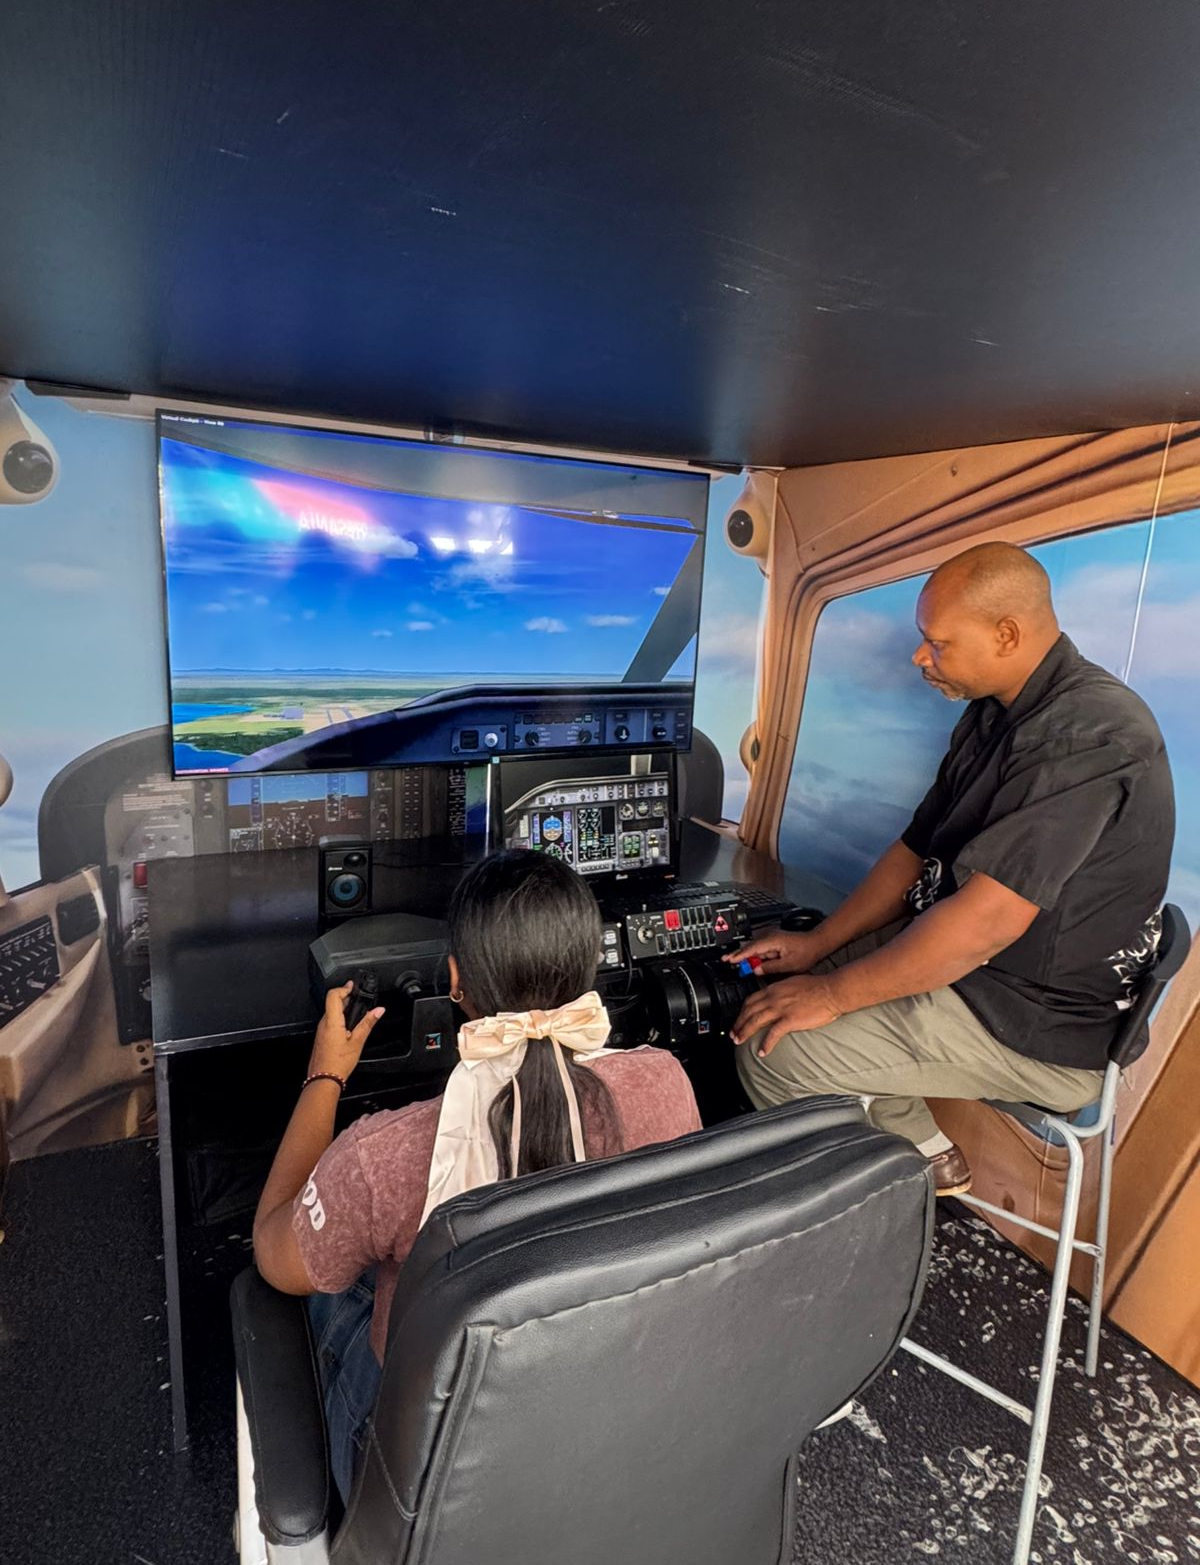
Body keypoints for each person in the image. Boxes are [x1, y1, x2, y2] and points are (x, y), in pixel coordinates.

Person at [726, 541, 1174, 1196]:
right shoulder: (992, 715)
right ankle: (923, 1153)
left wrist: (835, 995)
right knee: (794, 980)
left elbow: (985, 924)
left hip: (1036, 1022)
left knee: (774, 1047)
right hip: (988, 976)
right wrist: (819, 946)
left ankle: (855, 1220)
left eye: (936, 643)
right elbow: (914, 851)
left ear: (1006, 635)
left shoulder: (1088, 735)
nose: (919, 657)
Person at [253, 847, 701, 1503]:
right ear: (591, 967)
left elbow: (274, 1258)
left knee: (326, 1270)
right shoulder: (666, 1080)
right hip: (602, 1411)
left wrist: (325, 1074)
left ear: (456, 980)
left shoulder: (381, 1156)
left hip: (429, 1473)